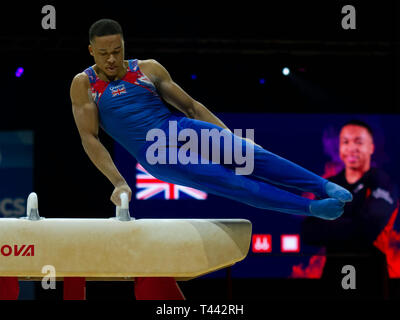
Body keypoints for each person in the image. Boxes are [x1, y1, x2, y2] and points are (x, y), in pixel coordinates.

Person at [69, 18, 352, 300]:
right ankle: (312, 209)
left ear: (124, 45)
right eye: (104, 53)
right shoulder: (85, 84)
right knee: (232, 182)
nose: (112, 59)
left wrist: (231, 139)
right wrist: (118, 183)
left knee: (253, 156)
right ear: (91, 51)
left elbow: (191, 107)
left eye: (117, 51)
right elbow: (90, 138)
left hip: (179, 127)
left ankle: (323, 186)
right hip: (156, 153)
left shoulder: (147, 69)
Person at [302, 120, 399, 299]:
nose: (351, 148)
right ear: (340, 148)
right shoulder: (329, 185)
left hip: (372, 274)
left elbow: (367, 230)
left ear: (371, 147)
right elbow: (308, 231)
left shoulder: (383, 183)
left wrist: (330, 222)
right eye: (345, 142)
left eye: (358, 142)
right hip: (333, 271)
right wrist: (354, 221)